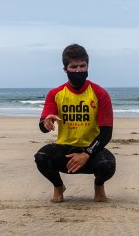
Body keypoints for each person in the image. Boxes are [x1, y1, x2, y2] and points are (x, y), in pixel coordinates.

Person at [34, 44, 116, 202]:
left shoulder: (100, 93)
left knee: (108, 165)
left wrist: (86, 153)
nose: (79, 70)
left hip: (92, 149)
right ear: (65, 69)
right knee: (41, 157)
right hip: (65, 151)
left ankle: (99, 185)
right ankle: (58, 186)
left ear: (87, 66)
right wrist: (46, 122)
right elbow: (42, 125)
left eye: (82, 66)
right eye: (74, 67)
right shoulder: (55, 94)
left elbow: (106, 133)